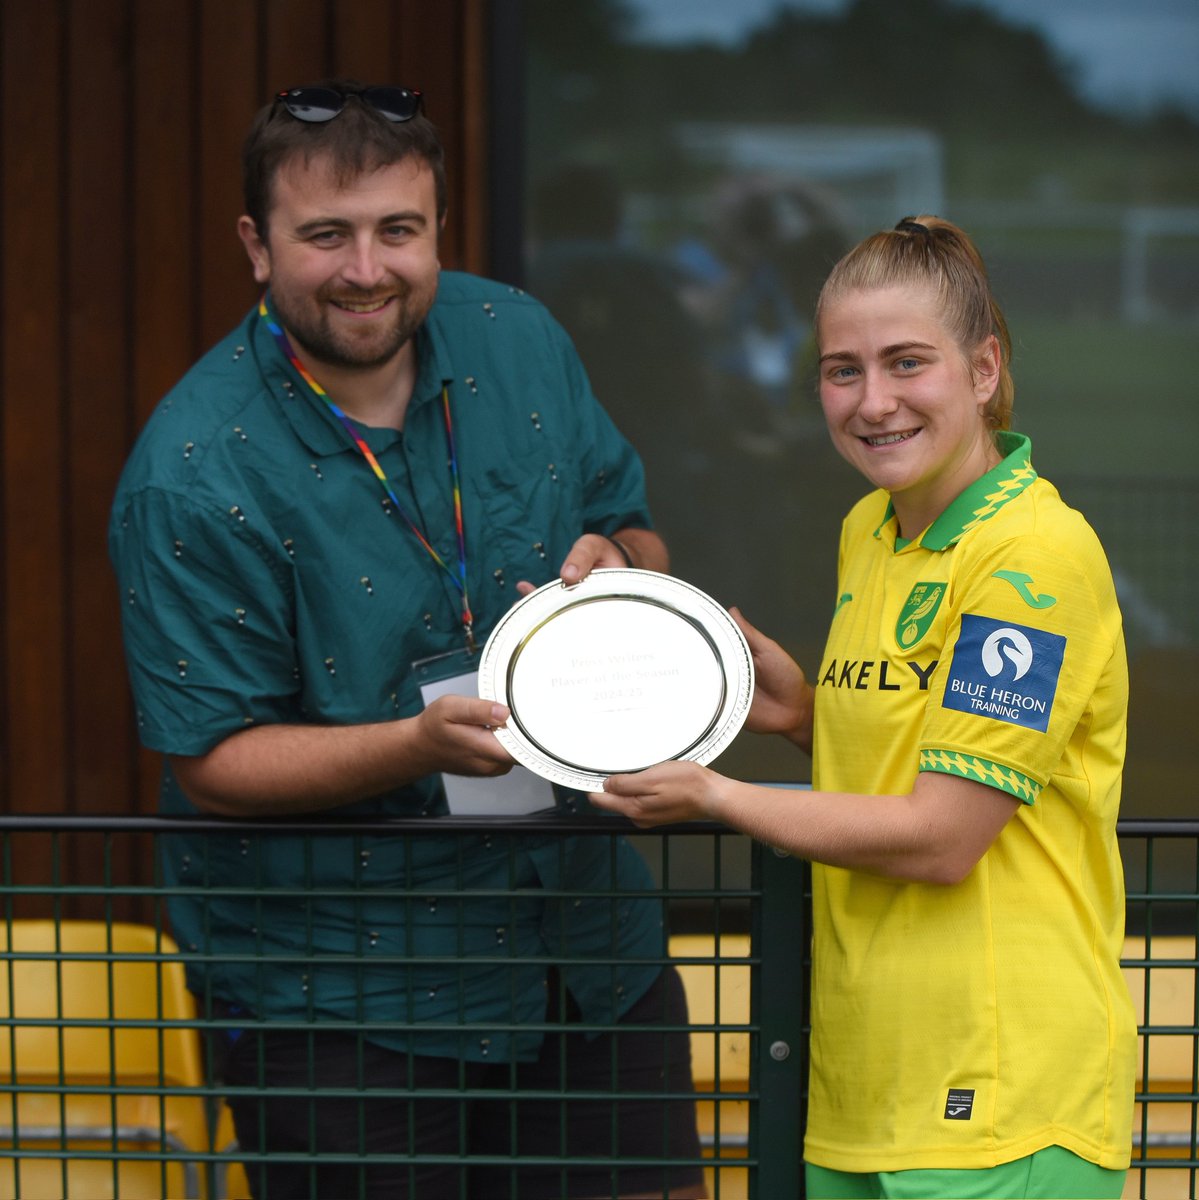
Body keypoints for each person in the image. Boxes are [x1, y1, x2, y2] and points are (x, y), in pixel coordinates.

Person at [108, 80, 705, 1200]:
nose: (366, 269)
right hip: (340, 989)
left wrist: (622, 571)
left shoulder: (516, 339)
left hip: (583, 941)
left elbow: (630, 524)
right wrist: (417, 745)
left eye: (397, 230)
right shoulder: (191, 473)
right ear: (255, 243)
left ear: (438, 229)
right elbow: (215, 762)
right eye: (324, 235)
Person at [594, 216, 1136, 1198]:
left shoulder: (1030, 555)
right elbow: (920, 752)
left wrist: (716, 797)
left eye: (905, 364)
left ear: (981, 369)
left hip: (1000, 1097)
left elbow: (941, 836)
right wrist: (808, 717)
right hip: (864, 1092)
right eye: (841, 371)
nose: (871, 402)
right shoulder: (868, 528)